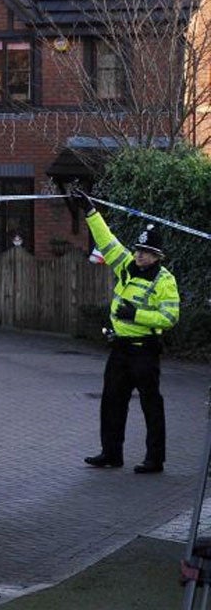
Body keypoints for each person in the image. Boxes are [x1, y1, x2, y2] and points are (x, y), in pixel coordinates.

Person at [71, 188, 180, 474]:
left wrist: (137, 315)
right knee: (111, 402)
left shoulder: (165, 281)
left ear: (157, 256)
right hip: (120, 348)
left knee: (151, 405)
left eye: (145, 252)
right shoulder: (126, 267)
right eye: (138, 250)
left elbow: (170, 317)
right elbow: (107, 241)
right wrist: (90, 211)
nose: (139, 255)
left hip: (145, 350)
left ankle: (154, 459)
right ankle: (111, 453)